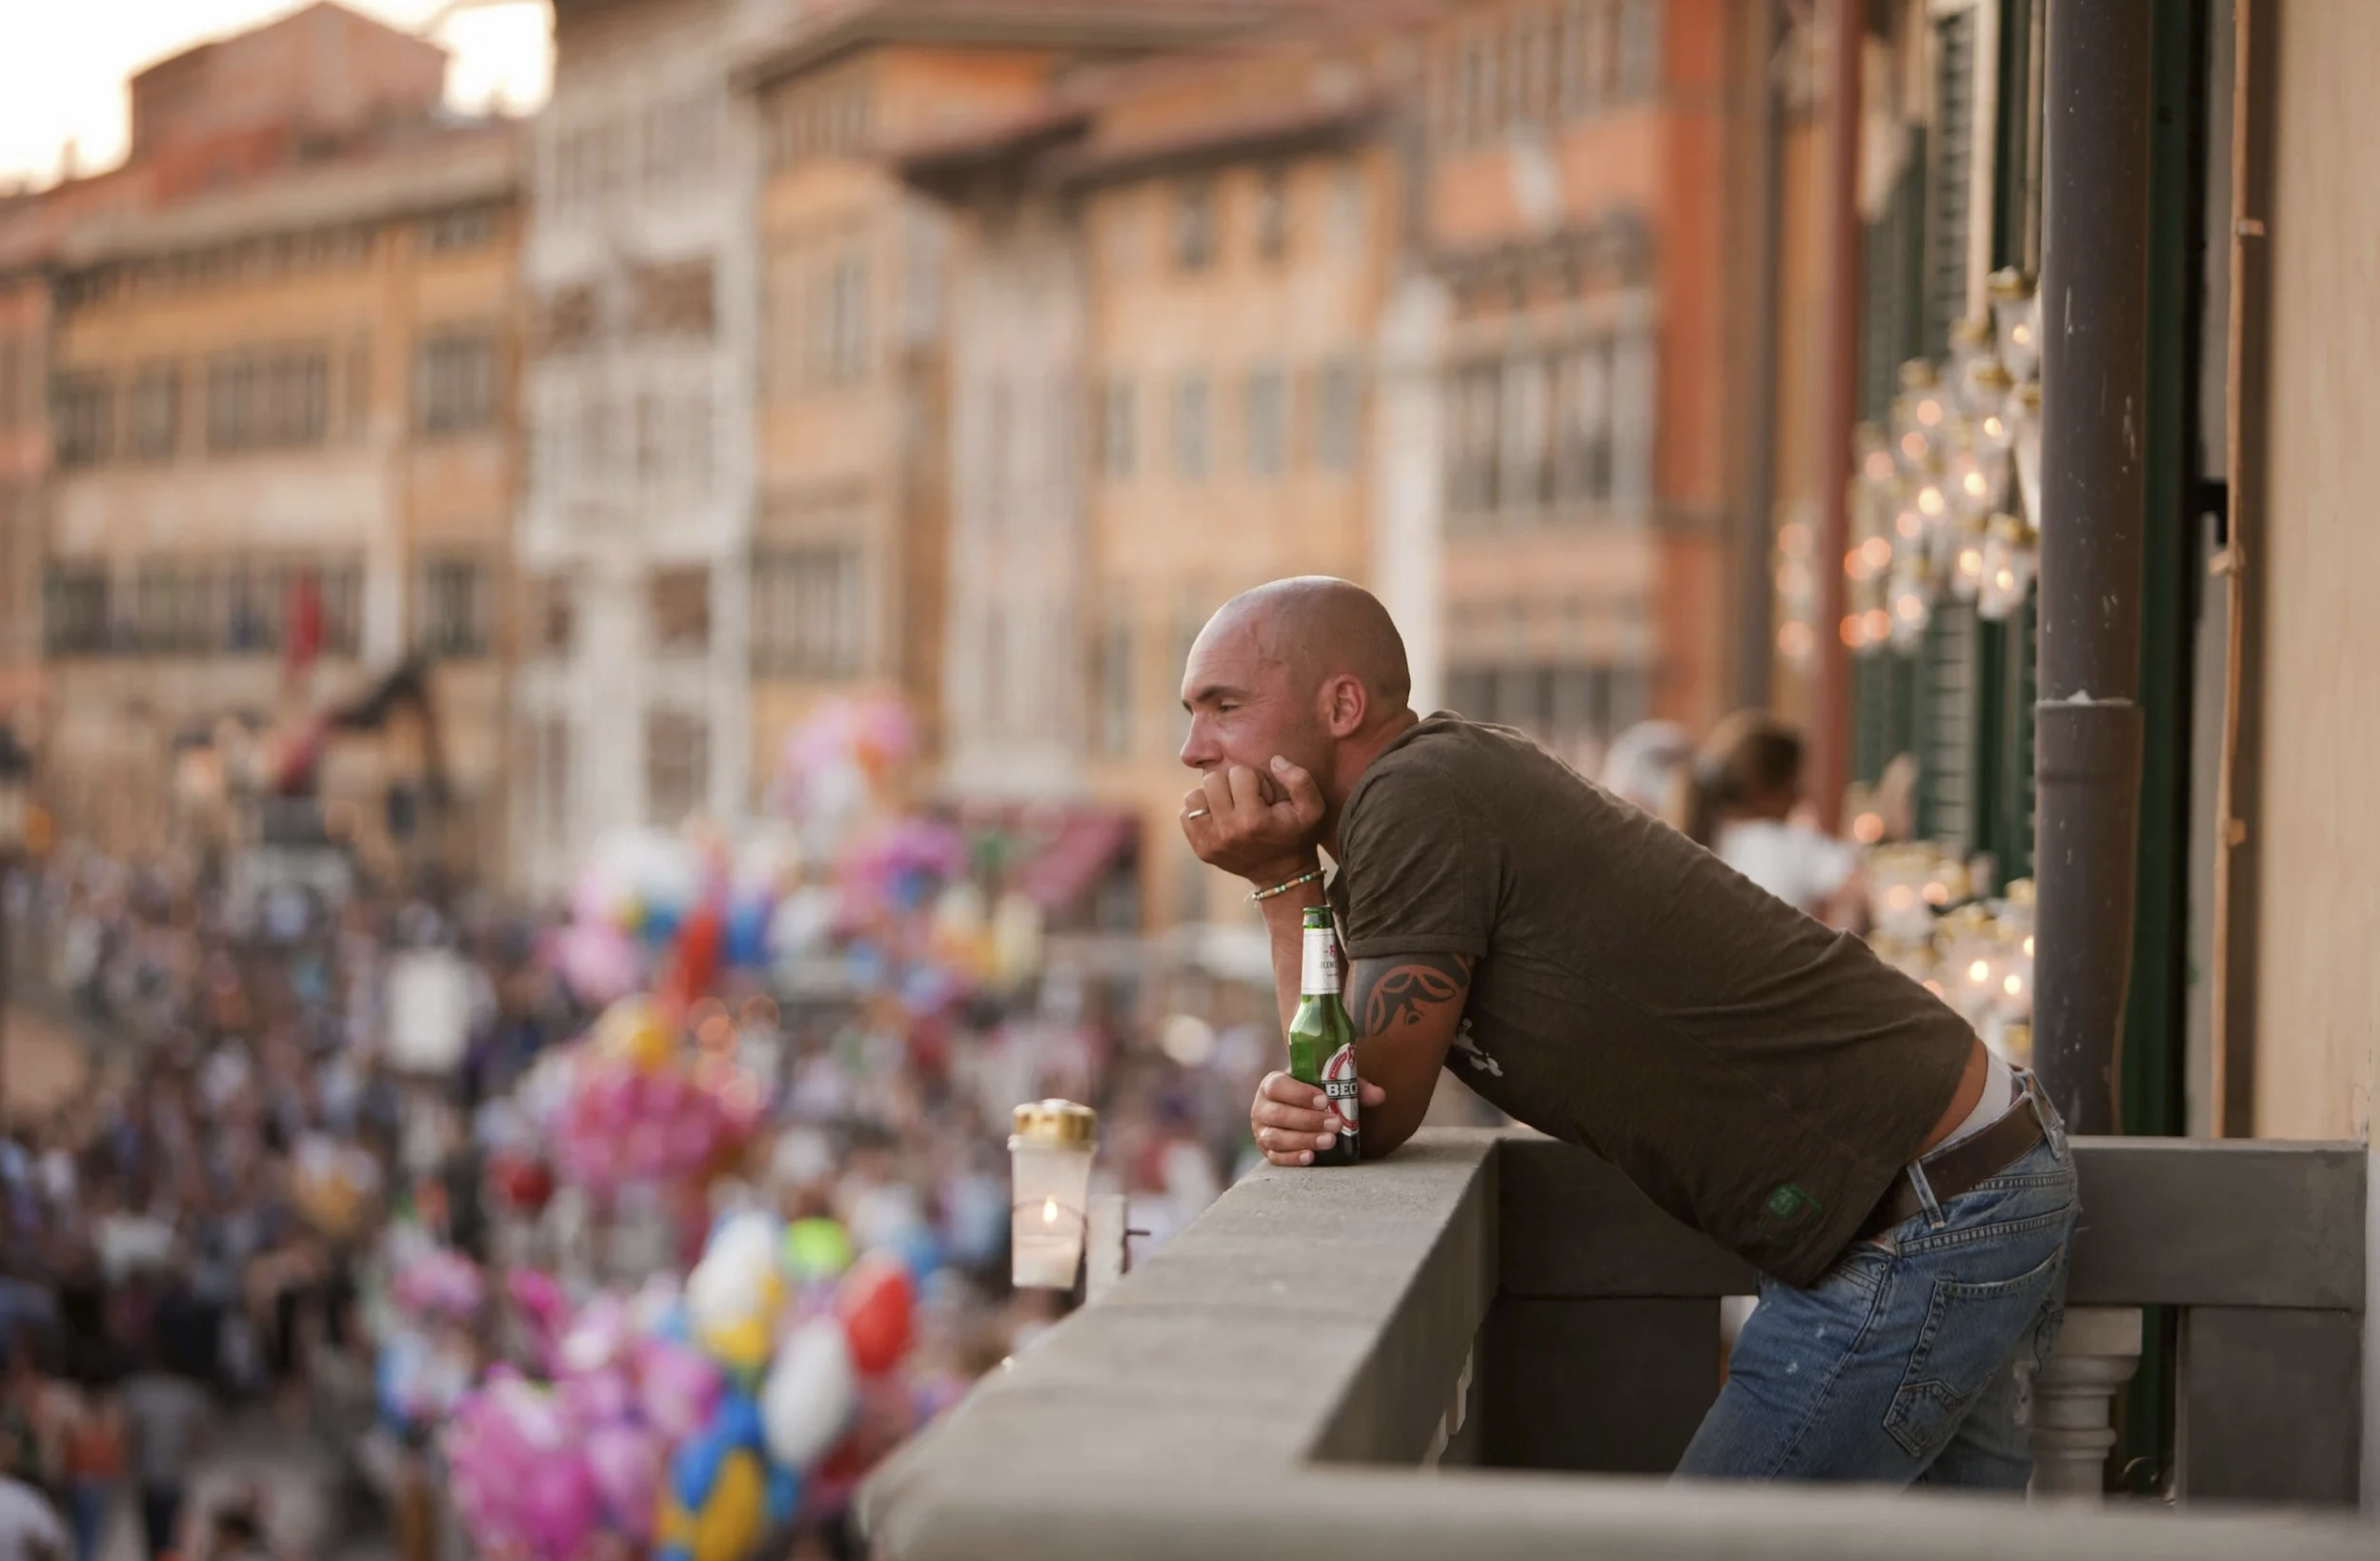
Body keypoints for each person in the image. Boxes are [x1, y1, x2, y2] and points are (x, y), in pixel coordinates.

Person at [1177, 577, 2076, 1488]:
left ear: (1341, 704)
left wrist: (1284, 881)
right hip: (1958, 1174)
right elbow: (1340, 1099)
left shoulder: (1418, 796)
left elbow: (1350, 1113)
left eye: (1225, 706)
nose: (1192, 748)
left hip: (1923, 1211)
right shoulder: (1432, 786)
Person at [1680, 710, 1865, 926]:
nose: (1803, 794)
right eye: (1796, 781)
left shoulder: (1698, 842)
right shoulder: (1782, 844)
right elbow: (1864, 887)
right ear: (1767, 791)